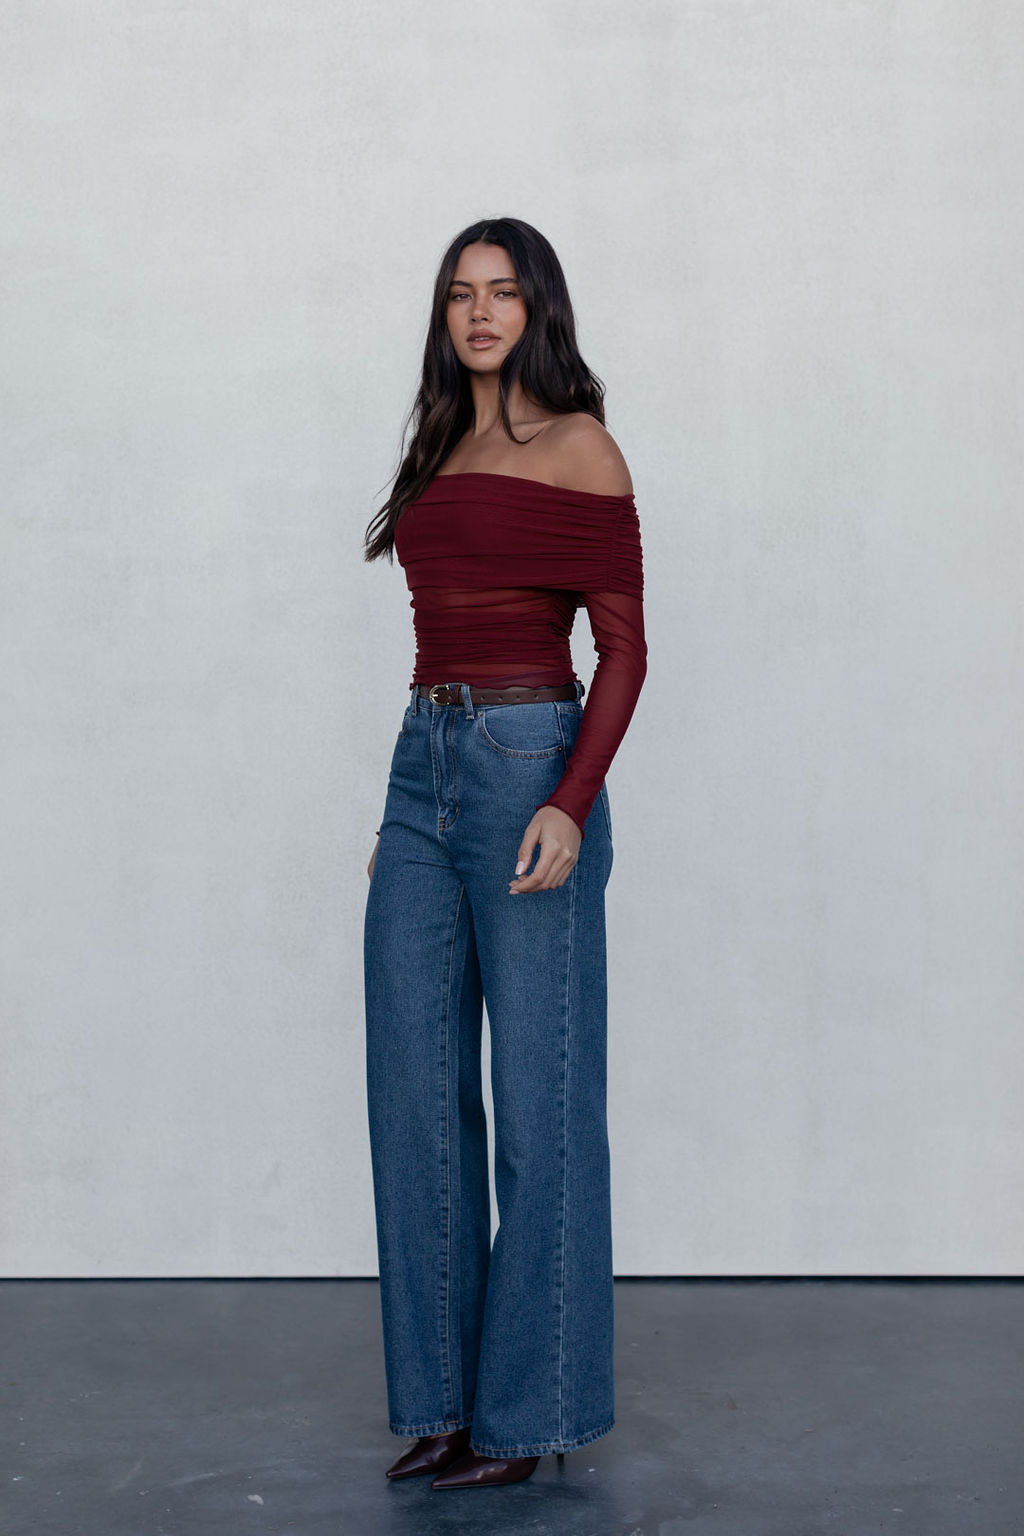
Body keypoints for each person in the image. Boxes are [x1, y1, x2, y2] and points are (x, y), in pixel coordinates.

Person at [361, 216, 647, 1490]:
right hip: (423, 767)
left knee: (540, 1104)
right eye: (460, 294)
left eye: (503, 293)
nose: (480, 313)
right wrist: (405, 818)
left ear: (539, 308)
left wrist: (572, 800)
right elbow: (435, 644)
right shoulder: (441, 442)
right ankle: (441, 1402)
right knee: (415, 1095)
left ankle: (525, 1420)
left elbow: (623, 649)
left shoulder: (580, 447)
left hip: (531, 763)